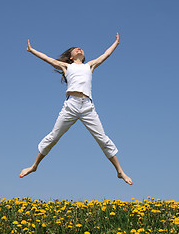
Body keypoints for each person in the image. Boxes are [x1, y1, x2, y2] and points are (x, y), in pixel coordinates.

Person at [20, 33, 132, 185]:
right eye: (74, 49)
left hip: (87, 107)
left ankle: (119, 171)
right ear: (71, 57)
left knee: (102, 138)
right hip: (71, 105)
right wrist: (32, 50)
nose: (79, 49)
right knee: (53, 136)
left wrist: (116, 43)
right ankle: (34, 166)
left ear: (83, 56)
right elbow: (48, 59)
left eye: (80, 49)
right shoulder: (66, 66)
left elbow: (106, 54)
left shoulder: (89, 66)